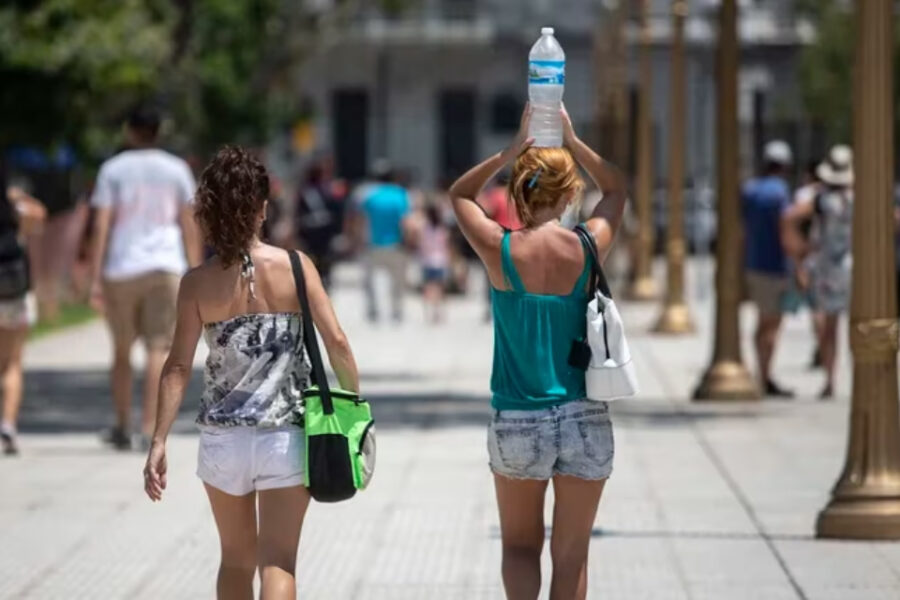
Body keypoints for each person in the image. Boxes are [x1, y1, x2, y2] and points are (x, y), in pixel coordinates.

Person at [143, 146, 360, 599]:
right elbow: (337, 342)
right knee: (278, 562)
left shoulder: (197, 283)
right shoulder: (296, 266)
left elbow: (177, 365)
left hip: (223, 441)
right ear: (262, 208)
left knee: (235, 561)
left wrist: (159, 439)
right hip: (285, 437)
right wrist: (354, 407)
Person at [447, 105, 625, 599]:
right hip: (583, 414)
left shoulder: (499, 248)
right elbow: (617, 189)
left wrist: (509, 151)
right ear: (570, 195)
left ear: (519, 192)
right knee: (572, 556)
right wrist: (573, 139)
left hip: (518, 417)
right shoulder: (588, 246)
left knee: (521, 548)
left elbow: (459, 194)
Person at [88, 106, 202, 450]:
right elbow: (188, 221)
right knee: (158, 347)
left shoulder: (112, 169)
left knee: (122, 350)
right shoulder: (176, 168)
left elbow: (102, 223)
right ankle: (149, 427)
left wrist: (94, 277)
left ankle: (122, 424)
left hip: (122, 267)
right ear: (158, 131)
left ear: (130, 131)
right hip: (165, 265)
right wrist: (196, 269)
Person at [783, 145, 854, 399]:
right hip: (853, 265)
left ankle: (830, 380)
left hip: (826, 266)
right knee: (861, 326)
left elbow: (789, 218)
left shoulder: (820, 199)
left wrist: (800, 253)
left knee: (829, 327)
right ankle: (862, 376)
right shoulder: (859, 198)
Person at [741, 140, 794, 398]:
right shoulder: (780, 192)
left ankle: (761, 372)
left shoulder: (751, 190)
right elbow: (786, 229)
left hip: (753, 263)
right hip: (775, 265)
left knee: (762, 323)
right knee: (773, 325)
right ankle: (764, 375)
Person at [0, 178, 46, 455]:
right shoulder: (15, 208)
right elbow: (39, 215)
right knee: (12, 363)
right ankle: (7, 425)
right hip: (13, 292)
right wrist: (17, 196)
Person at [352, 162, 412, 322]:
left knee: (369, 282)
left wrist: (356, 240)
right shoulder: (401, 194)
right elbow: (405, 222)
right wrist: (408, 242)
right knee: (397, 282)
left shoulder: (367, 195)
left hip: (372, 244)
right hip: (396, 244)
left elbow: (360, 220)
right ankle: (397, 311)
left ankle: (373, 311)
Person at [294, 156, 347, 290]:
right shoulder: (329, 189)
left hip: (310, 231)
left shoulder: (304, 191)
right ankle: (324, 278)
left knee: (312, 256)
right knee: (325, 256)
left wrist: (299, 231)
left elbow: (298, 213)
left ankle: (315, 279)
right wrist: (338, 230)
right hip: (325, 230)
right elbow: (337, 210)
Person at [419, 202, 450, 323]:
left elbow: (423, 245)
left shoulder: (425, 228)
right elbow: (446, 245)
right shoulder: (442, 229)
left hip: (427, 261)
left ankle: (429, 312)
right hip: (440, 261)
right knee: (440, 289)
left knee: (428, 288)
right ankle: (439, 312)